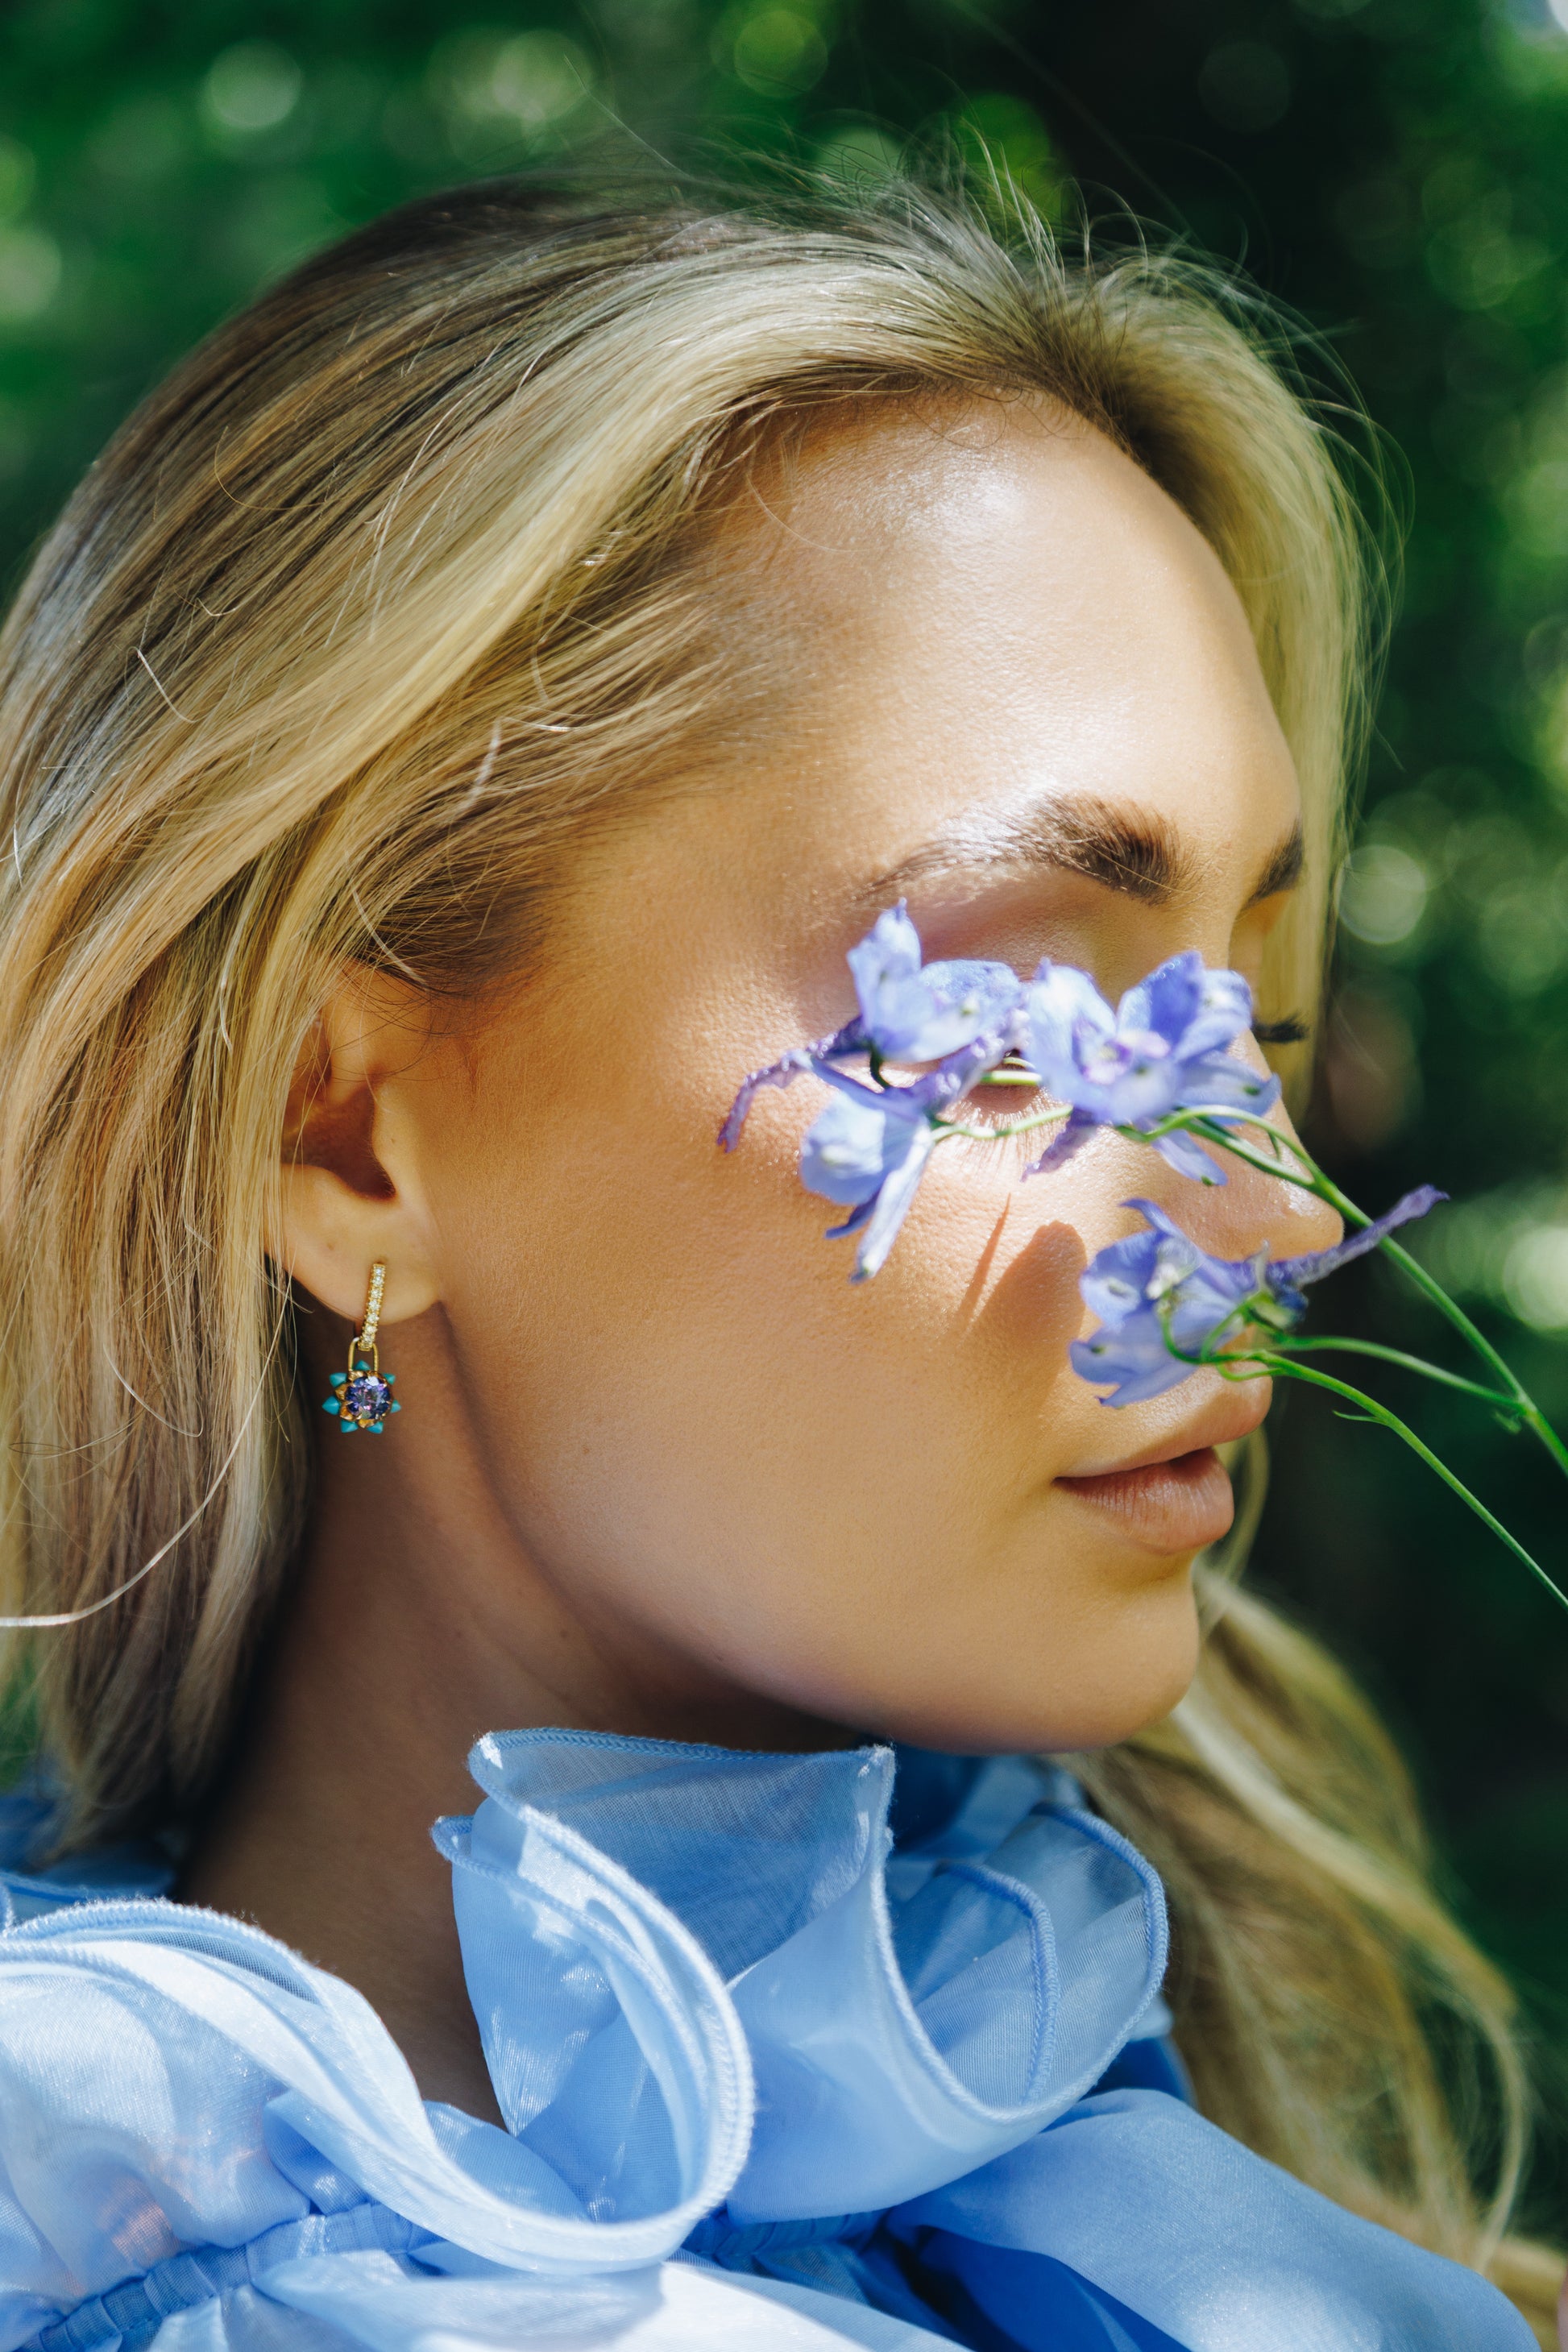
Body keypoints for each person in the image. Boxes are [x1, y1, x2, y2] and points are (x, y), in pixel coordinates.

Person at [0, 174, 1556, 2351]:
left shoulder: (1247, 2210)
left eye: (1247, 1023)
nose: (1277, 1217)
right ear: (338, 1138)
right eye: (1019, 1022)